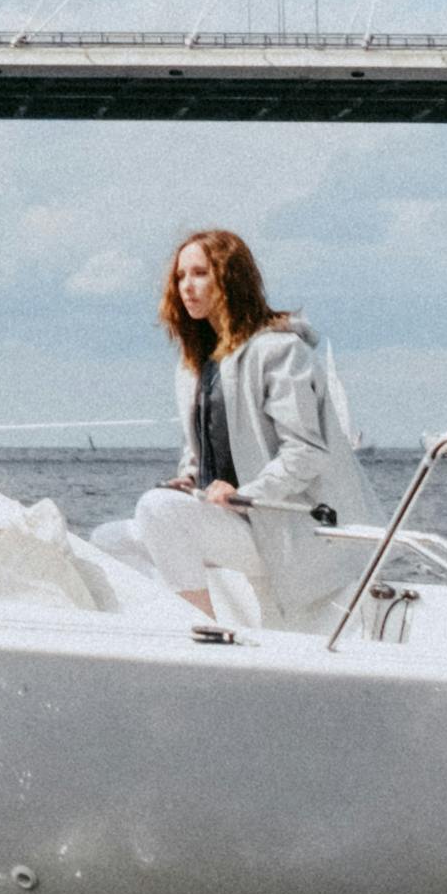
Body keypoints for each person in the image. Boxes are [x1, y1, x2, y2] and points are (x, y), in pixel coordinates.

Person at [110, 226, 363, 636]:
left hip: (277, 525)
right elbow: (206, 446)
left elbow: (306, 452)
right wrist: (190, 477)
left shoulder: (278, 351)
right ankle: (155, 634)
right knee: (111, 540)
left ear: (230, 278)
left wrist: (246, 494)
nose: (186, 287)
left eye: (199, 273)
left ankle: (203, 633)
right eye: (180, 277)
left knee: (157, 511)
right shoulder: (196, 363)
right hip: (228, 520)